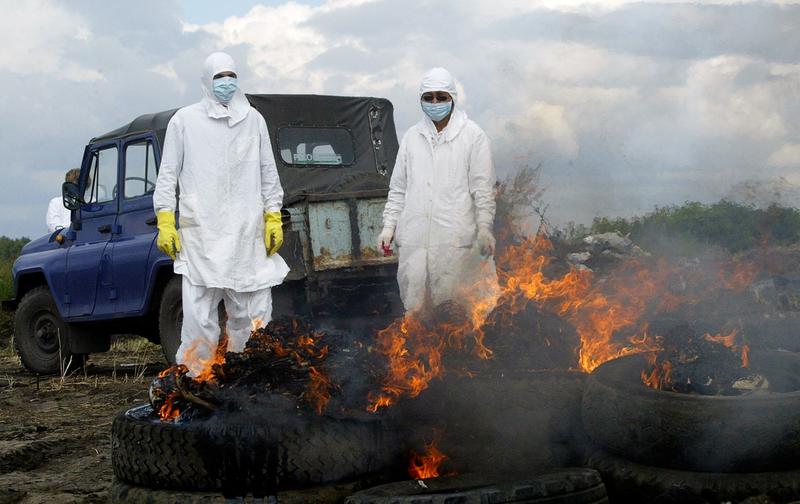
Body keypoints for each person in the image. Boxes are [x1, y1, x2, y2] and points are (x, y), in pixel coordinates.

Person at [153, 51, 289, 376]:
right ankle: (197, 382)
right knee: (199, 320)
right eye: (219, 77)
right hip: (202, 237)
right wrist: (165, 220)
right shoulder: (184, 121)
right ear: (206, 81)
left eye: (231, 75)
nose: (226, 83)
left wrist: (272, 215)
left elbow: (269, 173)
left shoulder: (253, 120)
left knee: (253, 318)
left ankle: (249, 381)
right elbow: (167, 176)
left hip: (247, 235)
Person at [379, 67, 499, 315]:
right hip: (415, 242)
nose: (435, 103)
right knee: (416, 312)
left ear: (452, 98)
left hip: (455, 244)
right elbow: (398, 189)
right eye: (429, 97)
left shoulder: (473, 136)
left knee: (456, 312)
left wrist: (485, 227)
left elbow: (482, 190)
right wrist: (389, 227)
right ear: (421, 100)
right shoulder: (412, 137)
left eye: (441, 97)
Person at [46, 168, 80, 232]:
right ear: (68, 185)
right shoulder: (56, 202)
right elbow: (54, 226)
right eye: (74, 184)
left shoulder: (92, 200)